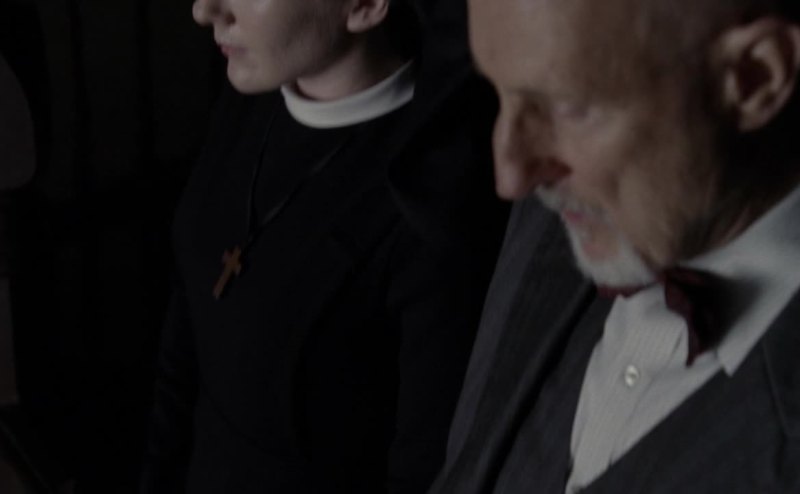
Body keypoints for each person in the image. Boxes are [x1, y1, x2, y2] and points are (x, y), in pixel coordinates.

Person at [430, 0, 800, 492]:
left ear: (756, 77)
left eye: (570, 106)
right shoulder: (557, 213)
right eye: (498, 92)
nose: (510, 177)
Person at [140, 0, 508, 492]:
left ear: (365, 6)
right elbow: (186, 337)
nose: (204, 10)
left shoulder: (431, 202)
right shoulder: (253, 91)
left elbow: (421, 472)